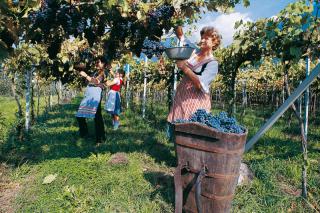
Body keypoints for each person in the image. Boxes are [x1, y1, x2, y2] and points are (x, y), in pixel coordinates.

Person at [167, 26, 221, 131]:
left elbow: (200, 84)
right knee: (177, 128)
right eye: (202, 37)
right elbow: (184, 40)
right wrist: (178, 29)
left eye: (206, 38)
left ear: (214, 42)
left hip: (196, 101)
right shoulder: (194, 52)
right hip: (182, 96)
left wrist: (184, 68)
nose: (202, 40)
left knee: (191, 130)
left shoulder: (212, 63)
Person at [75, 57, 107, 143]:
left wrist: (86, 76)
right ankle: (86, 134)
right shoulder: (96, 72)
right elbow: (90, 81)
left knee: (97, 117)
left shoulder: (103, 73)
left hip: (95, 96)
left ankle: (100, 139)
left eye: (98, 62)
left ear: (103, 64)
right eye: (96, 62)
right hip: (89, 96)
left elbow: (96, 81)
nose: (96, 63)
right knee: (80, 115)